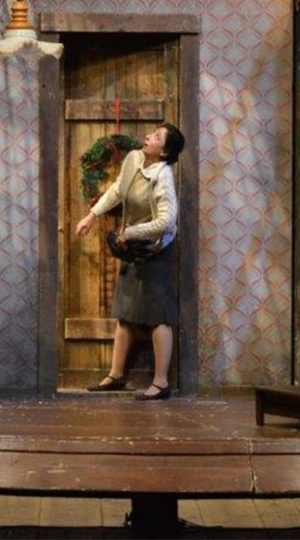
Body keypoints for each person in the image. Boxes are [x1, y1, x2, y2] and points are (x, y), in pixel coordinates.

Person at [74, 123, 186, 400]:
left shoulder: (163, 177)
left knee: (159, 316)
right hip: (133, 247)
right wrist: (92, 215)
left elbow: (166, 222)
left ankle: (161, 383)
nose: (148, 136)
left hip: (154, 250)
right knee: (125, 312)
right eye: (153, 133)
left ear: (164, 152)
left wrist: (129, 233)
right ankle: (116, 375)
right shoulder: (134, 158)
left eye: (157, 137)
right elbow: (117, 190)